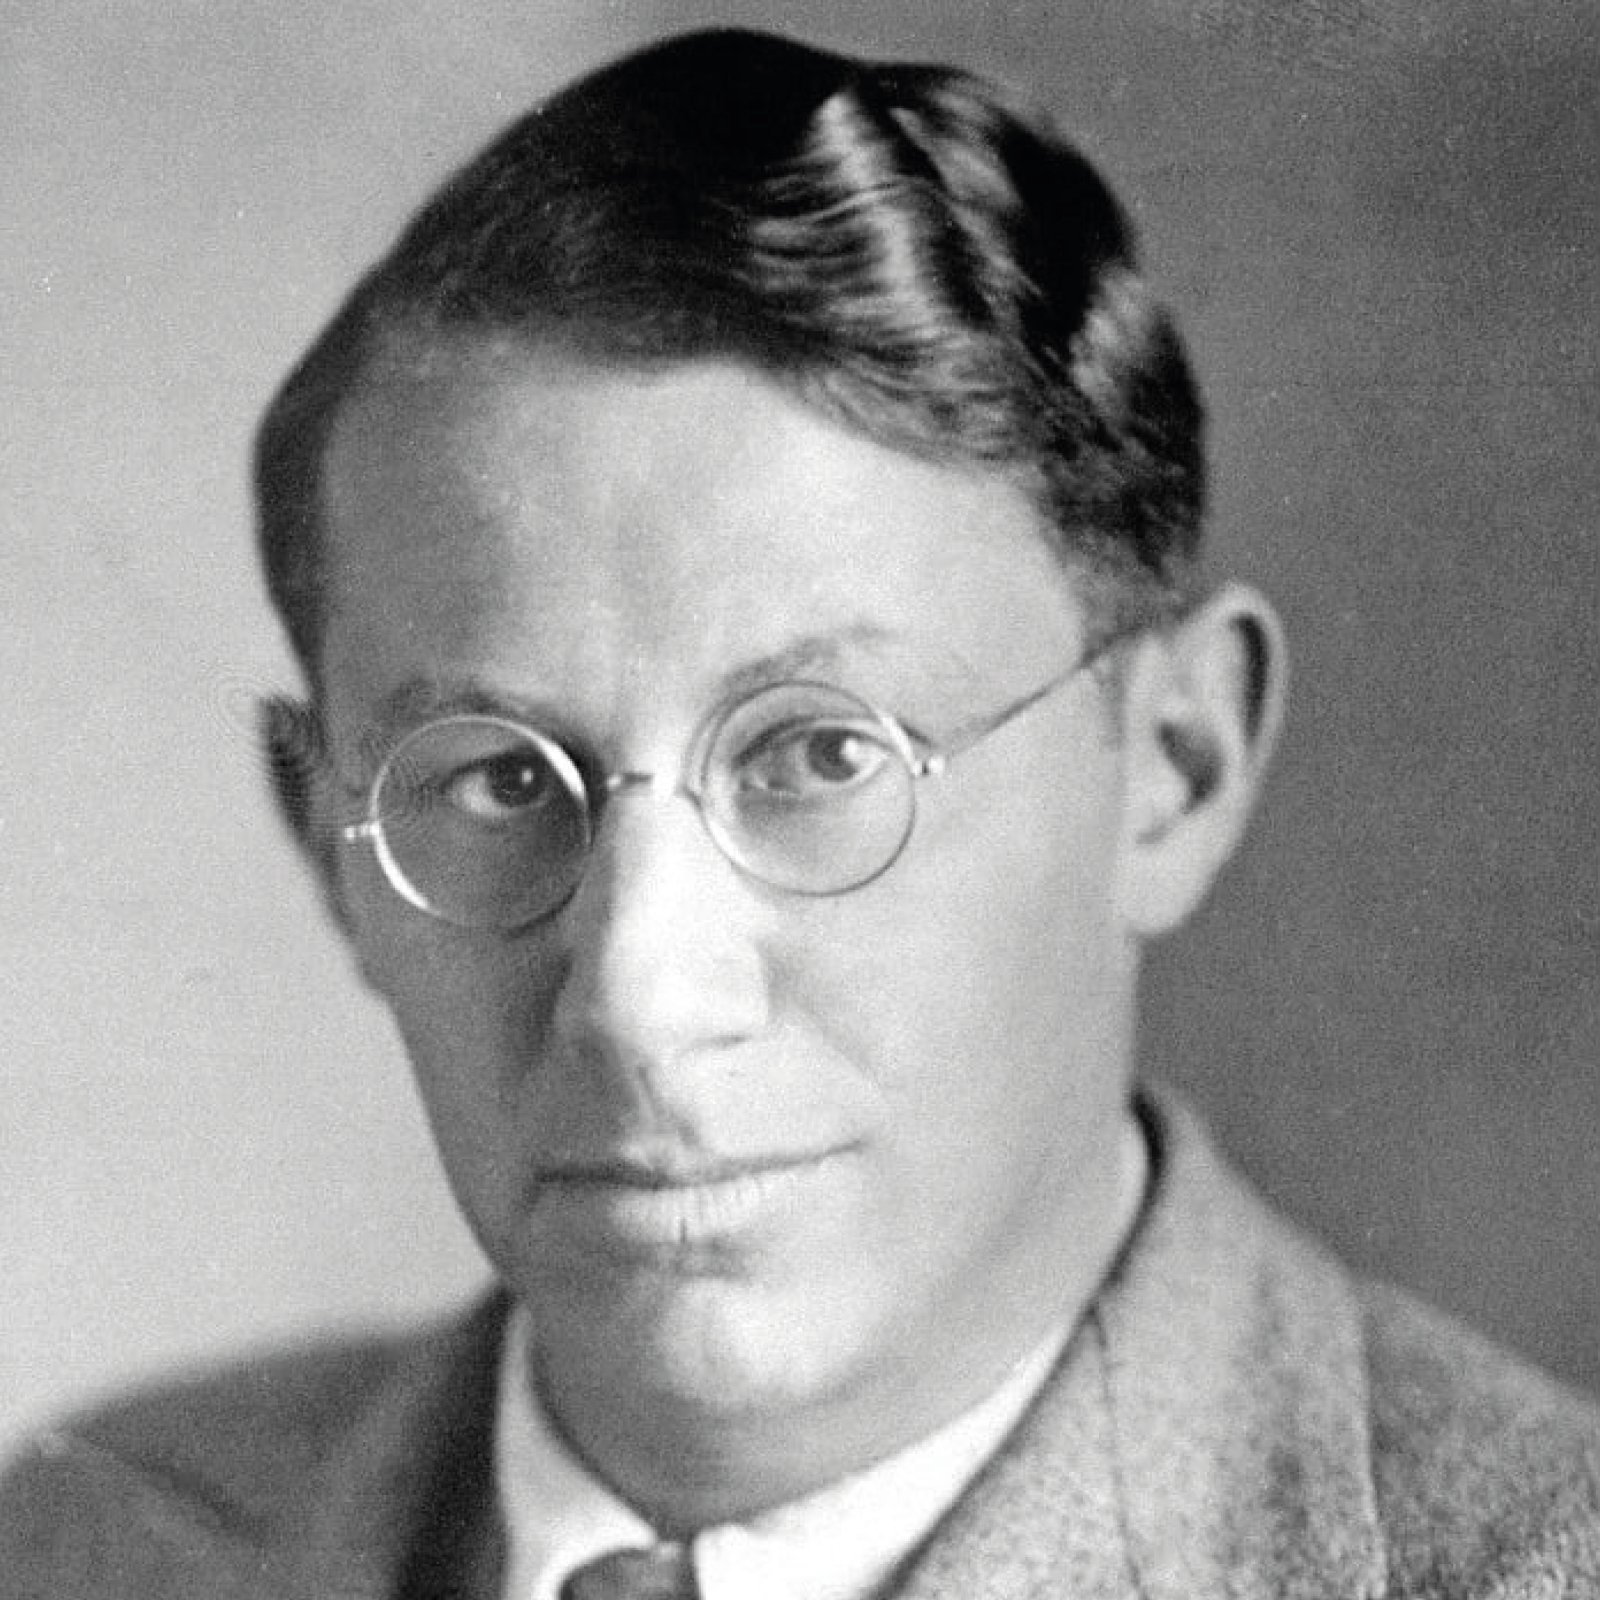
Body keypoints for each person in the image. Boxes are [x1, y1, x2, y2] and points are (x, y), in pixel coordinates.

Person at [3, 25, 1597, 1600]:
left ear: (1175, 771)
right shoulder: (84, 1542)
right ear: (328, 850)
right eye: (498, 782)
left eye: (823, 757)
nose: (639, 994)